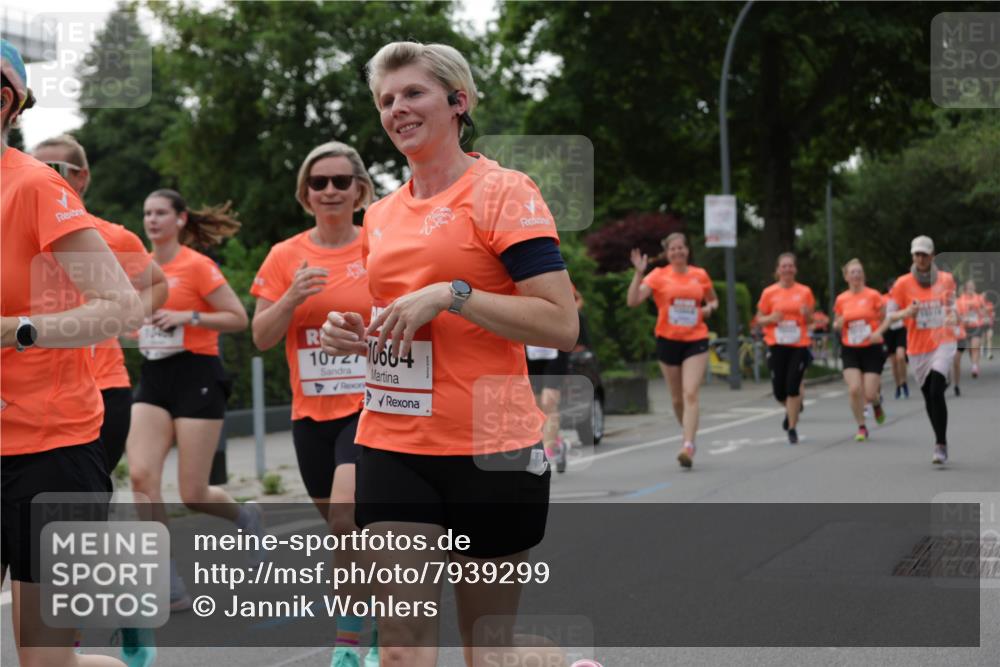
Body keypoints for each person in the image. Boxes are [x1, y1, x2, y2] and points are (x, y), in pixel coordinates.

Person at [320, 41, 579, 667]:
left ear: (458, 101)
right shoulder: (379, 214)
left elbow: (560, 323)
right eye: (385, 100)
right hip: (393, 443)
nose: (396, 109)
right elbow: (394, 318)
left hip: (491, 446)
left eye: (413, 93)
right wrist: (347, 331)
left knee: (487, 653)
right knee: (403, 650)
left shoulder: (502, 192)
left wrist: (453, 294)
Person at [2, 38, 143, 667]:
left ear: (5, 102)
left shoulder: (34, 188)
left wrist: (18, 331)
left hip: (50, 452)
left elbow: (121, 308)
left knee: (44, 660)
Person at [251, 141, 379, 667]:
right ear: (305, 194)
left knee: (347, 517)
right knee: (346, 532)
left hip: (371, 406)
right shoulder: (286, 256)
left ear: (361, 190)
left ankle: (353, 641)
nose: (330, 190)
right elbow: (260, 336)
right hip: (311, 416)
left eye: (341, 181)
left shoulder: (379, 245)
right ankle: (375, 619)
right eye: (319, 182)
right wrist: (290, 298)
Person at [125, 189, 256, 613]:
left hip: (197, 374)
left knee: (192, 492)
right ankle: (168, 581)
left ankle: (245, 518)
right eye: (147, 212)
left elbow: (239, 318)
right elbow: (129, 321)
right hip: (154, 375)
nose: (152, 219)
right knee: (142, 477)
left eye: (161, 212)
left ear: (181, 219)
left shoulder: (197, 266)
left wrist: (188, 316)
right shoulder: (137, 268)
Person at [32, 134, 169, 472]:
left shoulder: (113, 237)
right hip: (35, 393)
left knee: (85, 501)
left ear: (82, 176)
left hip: (103, 387)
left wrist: (124, 317)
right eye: (35, 166)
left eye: (52, 168)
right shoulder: (17, 231)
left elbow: (157, 285)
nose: (40, 175)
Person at [627, 233, 718, 468]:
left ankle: (688, 444)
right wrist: (639, 273)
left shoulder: (700, 275)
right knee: (677, 399)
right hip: (667, 341)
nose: (678, 252)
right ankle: (687, 432)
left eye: (681, 248)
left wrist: (708, 309)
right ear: (667, 253)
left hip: (696, 339)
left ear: (687, 251)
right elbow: (633, 300)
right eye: (673, 249)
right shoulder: (658, 276)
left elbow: (713, 301)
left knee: (690, 393)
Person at [878, 235, 957, 464]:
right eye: (916, 254)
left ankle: (940, 444)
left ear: (932, 256)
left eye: (924, 254)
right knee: (928, 397)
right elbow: (891, 314)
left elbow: (952, 307)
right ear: (912, 256)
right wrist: (906, 314)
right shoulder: (902, 284)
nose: (920, 258)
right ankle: (939, 438)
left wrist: (952, 315)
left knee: (935, 391)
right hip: (918, 346)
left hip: (942, 340)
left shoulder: (946, 279)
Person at [756, 252, 815, 445]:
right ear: (778, 270)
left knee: (792, 386)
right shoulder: (769, 293)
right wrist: (770, 319)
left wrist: (806, 315)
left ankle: (792, 428)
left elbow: (812, 320)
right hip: (776, 343)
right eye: (784, 266)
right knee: (779, 392)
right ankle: (794, 408)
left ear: (795, 269)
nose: (787, 269)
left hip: (799, 344)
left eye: (791, 266)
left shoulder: (804, 291)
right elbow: (759, 319)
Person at [526, 283, 584, 473]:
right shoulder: (517, 278)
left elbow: (578, 299)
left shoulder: (552, 275)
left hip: (555, 349)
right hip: (532, 348)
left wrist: (565, 319)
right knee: (535, 406)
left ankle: (548, 450)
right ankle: (560, 446)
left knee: (549, 402)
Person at [833, 259, 887, 441]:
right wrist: (838, 324)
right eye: (852, 272)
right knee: (854, 389)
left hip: (871, 347)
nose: (856, 275)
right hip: (850, 347)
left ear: (863, 275)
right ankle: (861, 426)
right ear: (846, 276)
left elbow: (884, 318)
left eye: (859, 272)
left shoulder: (874, 295)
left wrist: (876, 331)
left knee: (869, 394)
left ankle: (876, 402)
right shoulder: (841, 299)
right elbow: (837, 323)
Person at [882, 277, 909, 399]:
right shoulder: (883, 299)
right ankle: (898, 385)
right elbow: (880, 314)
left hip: (900, 329)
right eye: (892, 287)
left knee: (900, 356)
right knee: (893, 362)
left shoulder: (902, 298)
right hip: (889, 331)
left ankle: (904, 382)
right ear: (888, 288)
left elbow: (908, 311)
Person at [955, 279, 986, 380]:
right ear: (965, 288)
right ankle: (974, 363)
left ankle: (974, 367)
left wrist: (981, 312)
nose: (970, 288)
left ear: (975, 287)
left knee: (975, 346)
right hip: (965, 327)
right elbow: (958, 314)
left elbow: (983, 310)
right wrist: (963, 318)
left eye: (972, 286)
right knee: (970, 349)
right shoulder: (960, 300)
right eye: (968, 286)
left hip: (977, 325)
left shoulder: (979, 298)